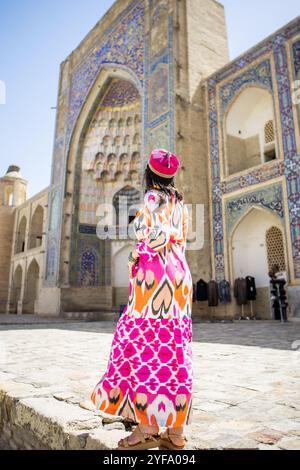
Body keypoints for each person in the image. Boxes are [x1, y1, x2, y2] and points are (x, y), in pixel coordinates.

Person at [90, 149, 194, 450]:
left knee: (144, 348)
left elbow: (147, 234)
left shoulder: (151, 199)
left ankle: (147, 429)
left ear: (149, 174)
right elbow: (177, 240)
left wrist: (136, 252)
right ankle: (175, 433)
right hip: (179, 279)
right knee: (175, 350)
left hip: (154, 281)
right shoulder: (182, 205)